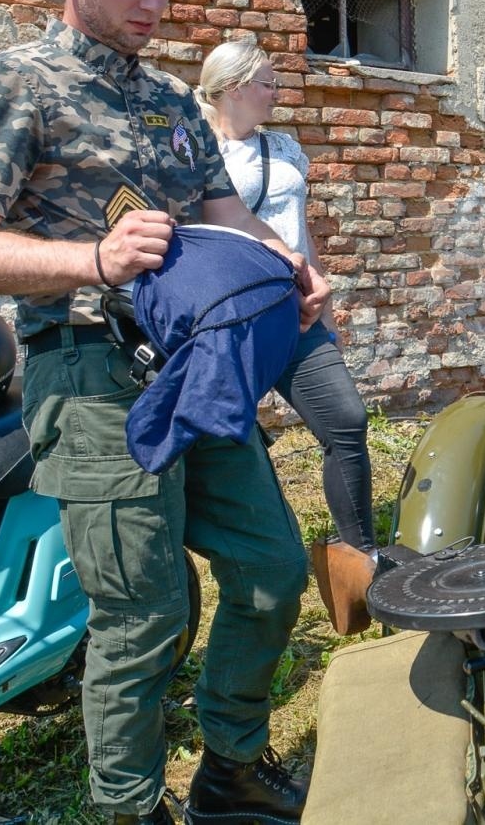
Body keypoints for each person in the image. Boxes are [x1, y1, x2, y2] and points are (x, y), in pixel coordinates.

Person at [0, 0, 326, 825]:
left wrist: (288, 265)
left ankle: (229, 767)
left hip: (194, 369)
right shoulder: (15, 83)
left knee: (271, 573)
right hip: (92, 373)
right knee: (143, 617)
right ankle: (130, 807)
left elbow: (222, 211)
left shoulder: (175, 100)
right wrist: (91, 260)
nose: (152, 4)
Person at [197, 40, 379, 634]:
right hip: (231, 324)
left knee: (346, 420)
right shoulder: (194, 153)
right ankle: (247, 572)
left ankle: (360, 559)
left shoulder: (285, 149)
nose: (278, 93)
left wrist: (323, 296)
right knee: (231, 446)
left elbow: (299, 232)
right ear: (232, 89)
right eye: (268, 84)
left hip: (297, 312)